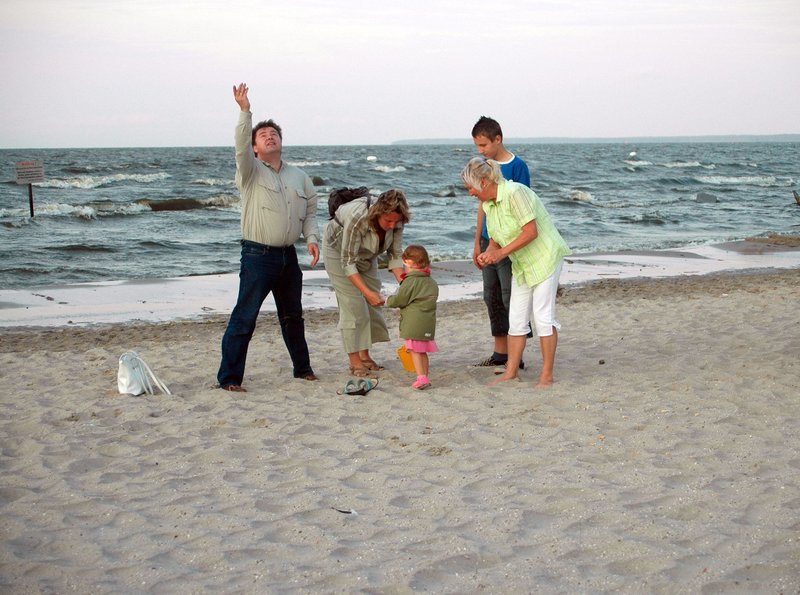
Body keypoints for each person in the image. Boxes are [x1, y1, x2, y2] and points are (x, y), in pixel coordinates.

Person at [216, 83, 320, 392]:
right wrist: (245, 112)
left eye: (273, 133)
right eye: (263, 135)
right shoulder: (249, 172)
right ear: (256, 148)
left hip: (289, 256)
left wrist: (312, 239)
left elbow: (310, 213)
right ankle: (230, 378)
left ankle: (303, 370)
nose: (269, 136)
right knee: (244, 317)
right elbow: (239, 145)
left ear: (281, 142)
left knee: (293, 317)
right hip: (257, 255)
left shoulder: (300, 177)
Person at [461, 157, 571, 388]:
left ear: (483, 181)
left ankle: (547, 376)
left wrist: (500, 255)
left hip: (545, 258)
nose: (470, 193)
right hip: (522, 263)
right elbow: (495, 238)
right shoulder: (488, 205)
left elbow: (531, 232)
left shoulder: (514, 192)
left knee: (543, 318)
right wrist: (489, 252)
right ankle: (511, 372)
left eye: (470, 187)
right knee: (516, 320)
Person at [323, 189, 410, 377]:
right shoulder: (358, 217)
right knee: (354, 306)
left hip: (368, 255)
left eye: (396, 221)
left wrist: (408, 285)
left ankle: (365, 355)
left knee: (372, 308)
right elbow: (347, 262)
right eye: (388, 221)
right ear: (378, 213)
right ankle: (355, 362)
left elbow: (395, 256)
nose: (392, 225)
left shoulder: (397, 221)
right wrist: (367, 293)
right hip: (339, 254)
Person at [471, 116, 532, 370]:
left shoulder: (518, 167)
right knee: (491, 295)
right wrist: (478, 242)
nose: (480, 151)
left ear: (498, 139)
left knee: (510, 296)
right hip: (488, 239)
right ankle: (500, 352)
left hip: (508, 241)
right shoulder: (483, 167)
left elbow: (523, 206)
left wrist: (497, 245)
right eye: (477, 146)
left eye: (483, 145)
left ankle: (516, 354)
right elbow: (483, 205)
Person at [385, 244, 439, 390]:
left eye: (405, 262)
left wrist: (387, 300)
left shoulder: (410, 281)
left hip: (414, 323)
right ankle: (425, 376)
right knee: (422, 351)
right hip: (427, 322)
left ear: (409, 262)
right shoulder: (431, 282)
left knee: (415, 351)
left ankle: (421, 378)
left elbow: (400, 299)